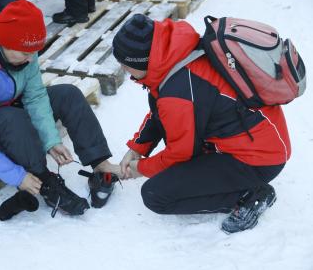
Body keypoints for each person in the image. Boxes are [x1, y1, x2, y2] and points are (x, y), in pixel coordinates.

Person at [0, 0, 121, 220]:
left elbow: (35, 96)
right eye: (25, 53)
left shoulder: (25, 48)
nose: (31, 58)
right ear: (4, 43)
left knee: (67, 94)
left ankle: (100, 164)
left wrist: (51, 140)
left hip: (6, 105)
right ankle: (45, 181)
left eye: (35, 52)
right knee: (12, 118)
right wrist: (18, 176)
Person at [112, 14, 291, 234]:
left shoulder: (177, 93)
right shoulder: (177, 55)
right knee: (179, 154)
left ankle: (251, 195)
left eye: (124, 64)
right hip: (262, 139)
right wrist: (138, 147)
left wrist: (140, 168)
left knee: (156, 195)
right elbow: (161, 108)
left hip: (257, 159)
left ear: (140, 61)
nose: (123, 69)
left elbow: (179, 152)